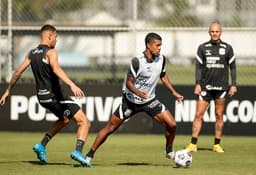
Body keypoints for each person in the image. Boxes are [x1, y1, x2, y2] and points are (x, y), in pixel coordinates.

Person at [84, 32, 184, 166]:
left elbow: (163, 75)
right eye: (157, 45)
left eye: (161, 45)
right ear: (148, 45)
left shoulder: (162, 59)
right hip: (130, 102)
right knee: (110, 128)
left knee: (172, 124)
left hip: (149, 101)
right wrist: (138, 92)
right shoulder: (137, 61)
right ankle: (89, 155)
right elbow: (129, 83)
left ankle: (169, 151)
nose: (160, 48)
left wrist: (174, 92)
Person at [0, 24, 91, 166]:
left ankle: (41, 145)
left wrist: (7, 91)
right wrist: (71, 84)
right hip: (55, 97)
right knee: (84, 122)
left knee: (65, 119)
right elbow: (56, 69)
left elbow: (17, 72)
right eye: (56, 37)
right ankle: (77, 152)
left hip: (42, 98)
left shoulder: (32, 53)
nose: (56, 41)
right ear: (50, 36)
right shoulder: (51, 52)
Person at [185, 22, 237, 153]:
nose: (215, 34)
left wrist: (234, 84)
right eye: (212, 31)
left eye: (217, 31)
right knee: (198, 115)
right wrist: (197, 83)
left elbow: (233, 67)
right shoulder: (202, 48)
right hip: (205, 88)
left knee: (219, 115)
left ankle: (217, 144)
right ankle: (193, 144)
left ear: (221, 32)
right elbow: (198, 67)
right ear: (209, 32)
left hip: (221, 88)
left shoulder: (228, 48)